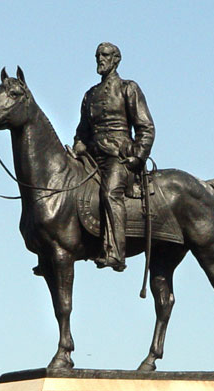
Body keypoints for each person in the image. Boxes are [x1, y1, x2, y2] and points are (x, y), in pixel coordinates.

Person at [70, 42, 155, 272]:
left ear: (116, 59)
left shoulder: (129, 88)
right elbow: (82, 131)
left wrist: (138, 156)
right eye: (98, 55)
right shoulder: (90, 95)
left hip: (118, 157)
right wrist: (78, 144)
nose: (100, 59)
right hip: (91, 157)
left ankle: (115, 252)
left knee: (110, 192)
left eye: (105, 55)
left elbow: (146, 127)